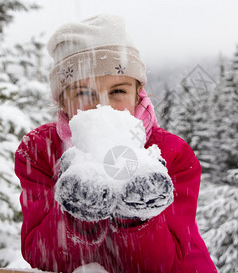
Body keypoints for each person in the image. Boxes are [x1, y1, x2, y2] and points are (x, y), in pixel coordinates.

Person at [14, 14, 217, 273]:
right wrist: (79, 215)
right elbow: (41, 255)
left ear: (138, 94)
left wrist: (135, 213)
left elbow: (162, 263)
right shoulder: (40, 151)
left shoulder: (174, 154)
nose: (103, 105)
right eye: (83, 93)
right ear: (62, 102)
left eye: (118, 91)